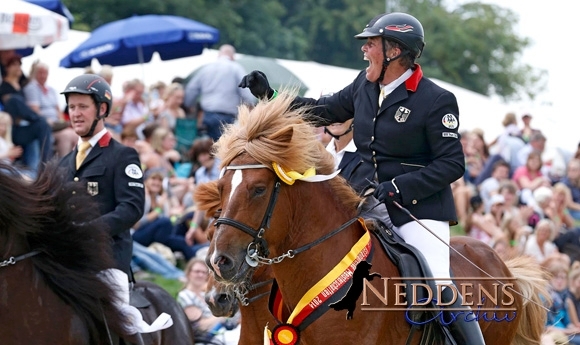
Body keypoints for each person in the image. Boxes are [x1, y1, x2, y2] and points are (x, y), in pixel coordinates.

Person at [239, 12, 483, 344]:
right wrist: (269, 95)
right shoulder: (364, 85)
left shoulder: (436, 100)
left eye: (371, 43)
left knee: (439, 283)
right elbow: (321, 110)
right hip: (362, 199)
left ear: (394, 51)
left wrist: (398, 187)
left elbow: (452, 164)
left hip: (416, 208)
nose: (365, 49)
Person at [57, 74, 171, 336]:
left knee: (115, 328)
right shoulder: (62, 163)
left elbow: (131, 209)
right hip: (69, 260)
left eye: (82, 106)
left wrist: (87, 229)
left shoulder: (122, 155)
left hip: (107, 259)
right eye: (72, 107)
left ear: (102, 109)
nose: (75, 113)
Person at [183, 44, 256, 141]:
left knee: (207, 149)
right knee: (223, 150)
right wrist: (251, 107)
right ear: (232, 56)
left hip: (207, 116)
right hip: (227, 118)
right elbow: (246, 92)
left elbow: (191, 89)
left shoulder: (206, 69)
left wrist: (188, 106)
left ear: (218, 55)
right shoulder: (236, 68)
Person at [23, 61, 78, 158]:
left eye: (45, 73)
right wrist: (50, 121)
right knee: (66, 136)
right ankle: (62, 169)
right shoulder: (31, 88)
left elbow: (58, 109)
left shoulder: (51, 90)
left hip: (57, 125)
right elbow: (34, 110)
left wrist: (61, 122)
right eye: (40, 72)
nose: (43, 75)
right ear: (35, 73)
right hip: (45, 126)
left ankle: (74, 167)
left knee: (76, 135)